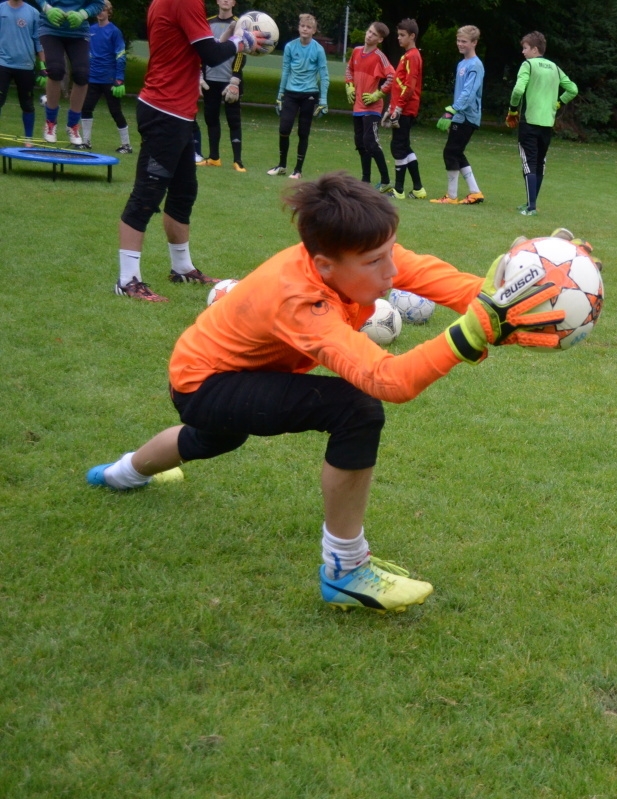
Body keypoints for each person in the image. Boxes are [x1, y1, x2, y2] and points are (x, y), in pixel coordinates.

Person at [88, 172, 573, 614]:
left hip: (211, 375)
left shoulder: (359, 250)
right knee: (356, 409)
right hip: (203, 384)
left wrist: (523, 292)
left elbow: (457, 290)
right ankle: (345, 569)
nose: (391, 272)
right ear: (323, 264)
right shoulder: (299, 298)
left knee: (211, 439)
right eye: (375, 262)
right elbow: (389, 380)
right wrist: (469, 334)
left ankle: (120, 474)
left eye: (391, 252)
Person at [114, 0, 268, 301]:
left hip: (177, 113)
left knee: (184, 192)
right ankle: (127, 280)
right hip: (165, 112)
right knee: (146, 195)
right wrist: (242, 41)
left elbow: (196, 50)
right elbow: (212, 55)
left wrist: (229, 39)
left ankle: (182, 268)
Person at [506, 31, 576, 216]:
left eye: (525, 48)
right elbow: (573, 89)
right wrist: (559, 103)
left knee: (528, 163)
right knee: (539, 163)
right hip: (547, 123)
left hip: (529, 121)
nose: (523, 52)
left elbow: (518, 90)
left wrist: (513, 110)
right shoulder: (555, 68)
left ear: (535, 49)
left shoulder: (528, 65)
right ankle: (531, 203)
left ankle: (531, 208)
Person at [267, 12, 327, 180]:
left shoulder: (318, 50)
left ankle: (298, 170)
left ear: (314, 30)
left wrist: (323, 101)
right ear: (298, 28)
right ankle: (281, 166)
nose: (305, 29)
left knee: (303, 132)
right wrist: (280, 95)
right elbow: (285, 71)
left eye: (308, 27)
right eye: (302, 26)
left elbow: (324, 76)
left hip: (309, 94)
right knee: (284, 129)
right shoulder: (290, 47)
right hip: (291, 93)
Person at [430, 25, 484, 205]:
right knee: (457, 152)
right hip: (459, 115)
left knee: (450, 152)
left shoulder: (476, 65)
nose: (460, 44)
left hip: (468, 116)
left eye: (464, 41)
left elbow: (469, 93)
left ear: (474, 43)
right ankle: (475, 193)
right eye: (458, 40)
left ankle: (451, 196)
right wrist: (453, 113)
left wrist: (451, 110)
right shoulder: (462, 64)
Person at [37, 0, 98, 145]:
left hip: (78, 32)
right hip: (51, 29)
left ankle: (73, 124)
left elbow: (98, 3)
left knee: (82, 74)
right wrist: (47, 8)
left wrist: (83, 14)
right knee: (55, 70)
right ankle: (50, 122)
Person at [345, 20, 394, 192]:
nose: (369, 35)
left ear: (379, 40)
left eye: (374, 34)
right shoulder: (357, 51)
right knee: (360, 142)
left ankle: (386, 181)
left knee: (370, 142)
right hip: (357, 106)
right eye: (369, 31)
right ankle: (365, 180)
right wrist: (349, 86)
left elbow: (392, 77)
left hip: (372, 107)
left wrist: (378, 94)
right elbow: (349, 70)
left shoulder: (379, 56)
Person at [197, 0, 246, 171]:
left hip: (230, 81)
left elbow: (241, 52)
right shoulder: (207, 23)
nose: (225, 0)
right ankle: (214, 158)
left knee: (234, 120)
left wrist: (235, 79)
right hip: (210, 80)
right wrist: (200, 74)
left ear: (234, 2)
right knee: (211, 119)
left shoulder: (239, 24)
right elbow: (201, 50)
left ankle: (238, 161)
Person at [80, 0, 128, 152]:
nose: (100, 13)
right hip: (93, 78)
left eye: (103, 10)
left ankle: (126, 145)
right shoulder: (91, 29)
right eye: (98, 10)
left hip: (109, 79)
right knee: (86, 108)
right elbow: (85, 52)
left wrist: (119, 79)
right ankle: (86, 142)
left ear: (109, 12)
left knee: (115, 112)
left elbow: (121, 55)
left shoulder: (114, 31)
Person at [385, 17, 424, 200]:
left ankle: (399, 190)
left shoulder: (413, 56)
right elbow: (399, 84)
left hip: (406, 109)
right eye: (398, 34)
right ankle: (418, 188)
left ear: (412, 36)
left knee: (398, 146)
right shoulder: (408, 55)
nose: (398, 38)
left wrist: (398, 108)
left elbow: (409, 86)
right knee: (404, 146)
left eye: (402, 35)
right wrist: (391, 108)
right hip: (402, 107)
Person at [0, 0, 45, 146]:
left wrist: (43, 65)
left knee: (27, 104)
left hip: (25, 65)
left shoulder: (33, 13)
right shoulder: (1, 9)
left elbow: (38, 40)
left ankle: (28, 139)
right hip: (3, 63)